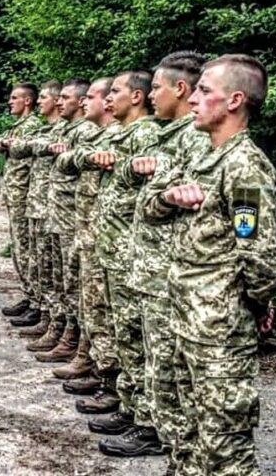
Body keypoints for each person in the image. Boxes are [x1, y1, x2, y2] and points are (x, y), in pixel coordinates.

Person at [143, 55, 276, 476]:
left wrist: (254, 307)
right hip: (186, 319)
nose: (193, 100)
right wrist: (170, 197)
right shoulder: (203, 157)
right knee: (188, 437)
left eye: (205, 91)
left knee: (225, 451)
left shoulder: (244, 167)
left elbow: (260, 256)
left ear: (235, 101)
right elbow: (149, 206)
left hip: (219, 333)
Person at [103, 52, 210, 463]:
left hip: (169, 270)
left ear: (179, 89)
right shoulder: (171, 135)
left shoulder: (194, 139)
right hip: (148, 263)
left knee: (166, 363)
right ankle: (148, 422)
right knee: (148, 352)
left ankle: (160, 434)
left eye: (158, 89)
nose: (151, 97)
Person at [85, 71, 160, 446]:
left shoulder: (146, 135)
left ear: (137, 96)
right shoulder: (125, 135)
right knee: (123, 332)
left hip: (133, 253)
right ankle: (129, 407)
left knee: (135, 337)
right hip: (115, 247)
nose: (107, 97)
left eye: (115, 91)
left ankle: (144, 419)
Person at [55, 77, 122, 407]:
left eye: (110, 93)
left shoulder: (136, 138)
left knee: (104, 311)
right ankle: (94, 363)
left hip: (110, 243)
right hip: (90, 234)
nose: (87, 103)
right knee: (89, 304)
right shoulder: (103, 138)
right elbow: (67, 161)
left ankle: (108, 378)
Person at [38, 78, 98, 366]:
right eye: (58, 97)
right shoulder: (69, 129)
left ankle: (77, 343)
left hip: (75, 217)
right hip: (60, 214)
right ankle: (65, 332)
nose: (59, 102)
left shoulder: (86, 130)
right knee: (61, 278)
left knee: (75, 285)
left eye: (66, 97)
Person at [8, 81, 67, 347]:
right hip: (34, 200)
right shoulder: (44, 130)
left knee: (47, 265)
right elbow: (14, 146)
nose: (10, 102)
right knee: (31, 257)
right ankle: (39, 306)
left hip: (50, 208)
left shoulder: (53, 129)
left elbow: (21, 146)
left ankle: (46, 310)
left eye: (44, 97)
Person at [0, 83, 41, 320]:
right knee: (18, 249)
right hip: (14, 193)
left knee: (25, 250)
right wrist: (3, 143)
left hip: (24, 193)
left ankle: (36, 301)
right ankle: (29, 295)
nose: (10, 102)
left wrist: (9, 144)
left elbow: (21, 150)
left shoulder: (32, 126)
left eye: (15, 98)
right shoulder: (17, 126)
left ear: (28, 101)